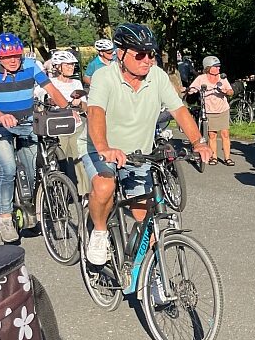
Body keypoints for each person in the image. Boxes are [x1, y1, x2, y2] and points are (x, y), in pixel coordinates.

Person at [81, 24, 212, 287]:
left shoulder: (157, 76)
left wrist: (198, 142)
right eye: (139, 55)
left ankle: (154, 275)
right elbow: (95, 113)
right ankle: (98, 231)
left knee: (146, 221)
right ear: (121, 54)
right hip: (100, 148)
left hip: (138, 155)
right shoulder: (105, 77)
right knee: (104, 185)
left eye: (151, 54)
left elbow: (179, 111)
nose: (147, 60)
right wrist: (105, 147)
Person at [0, 33, 69, 243]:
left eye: (17, 55)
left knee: (31, 170)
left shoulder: (30, 66)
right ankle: (5, 217)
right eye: (7, 57)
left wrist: (68, 109)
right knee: (9, 168)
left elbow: (52, 89)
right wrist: (1, 116)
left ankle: (28, 204)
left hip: (27, 124)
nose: (13, 60)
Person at [40, 50, 89, 194]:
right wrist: (49, 101)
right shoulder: (49, 83)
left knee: (79, 158)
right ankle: (64, 191)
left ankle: (84, 193)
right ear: (58, 67)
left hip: (76, 125)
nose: (71, 67)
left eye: (72, 65)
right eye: (67, 65)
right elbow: (40, 102)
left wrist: (79, 103)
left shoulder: (77, 83)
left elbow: (85, 107)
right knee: (62, 159)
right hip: (58, 126)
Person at [188, 55, 235, 166]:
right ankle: (213, 157)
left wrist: (226, 91)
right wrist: (190, 91)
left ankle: (227, 158)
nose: (219, 68)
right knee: (212, 135)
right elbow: (192, 88)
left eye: (219, 66)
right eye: (216, 66)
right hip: (209, 110)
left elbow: (231, 91)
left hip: (222, 109)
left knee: (225, 134)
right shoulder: (201, 78)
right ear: (208, 67)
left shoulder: (222, 78)